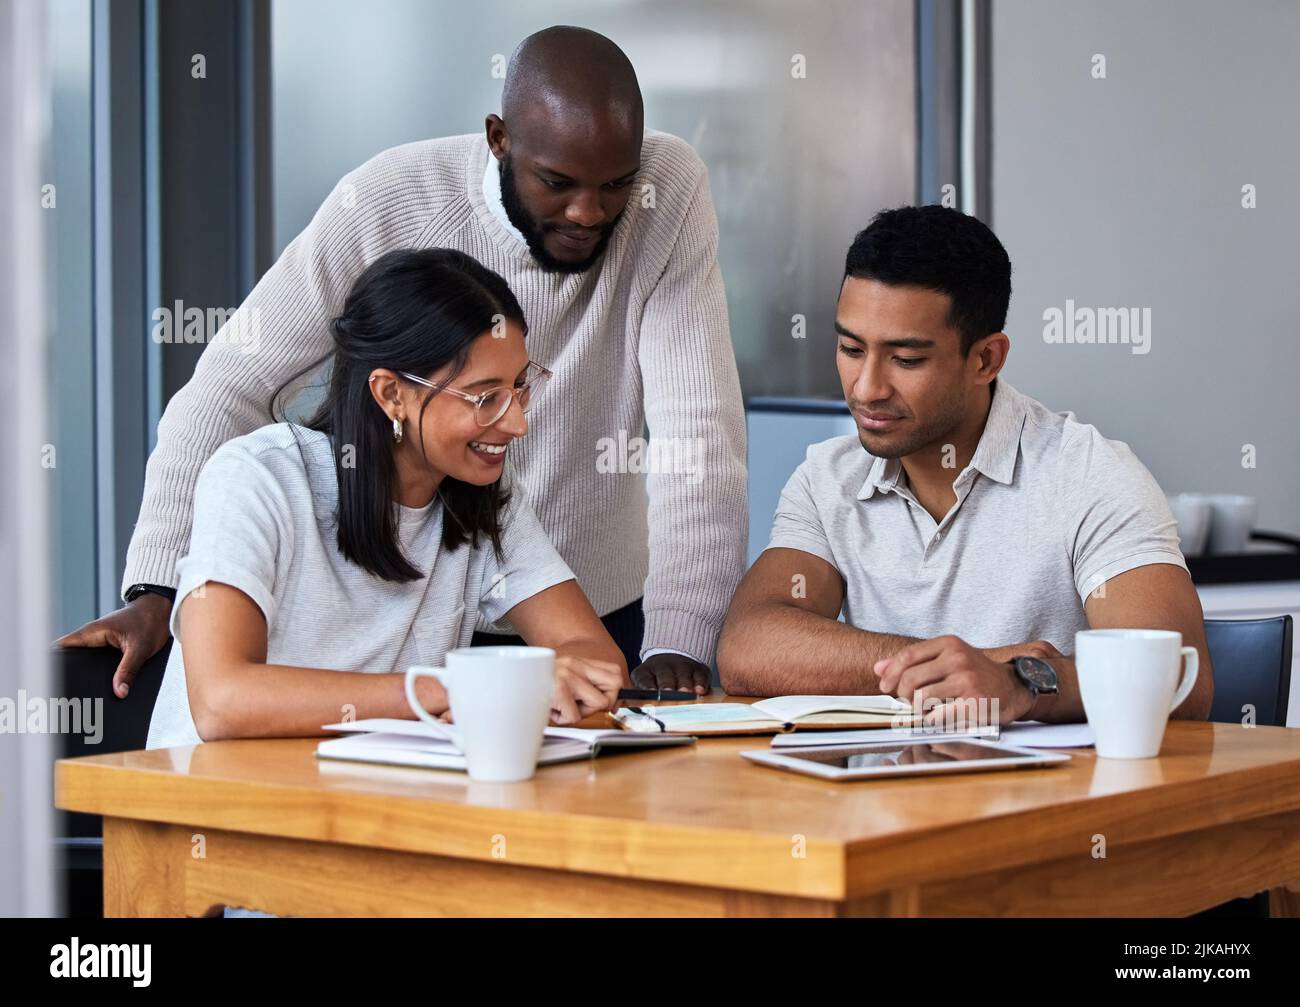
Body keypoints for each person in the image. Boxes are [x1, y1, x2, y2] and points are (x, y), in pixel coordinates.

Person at [59, 26, 747, 699]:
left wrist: (679, 639)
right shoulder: (386, 199)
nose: (589, 212)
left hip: (582, 599)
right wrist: (159, 585)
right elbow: (230, 386)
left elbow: (698, 431)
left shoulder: (667, 192)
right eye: (557, 182)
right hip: (412, 629)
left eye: (616, 185)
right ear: (498, 139)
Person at [717, 206, 1212, 724]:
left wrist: (1023, 683)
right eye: (850, 348)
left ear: (986, 360)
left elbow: (1180, 680)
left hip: (1050, 798)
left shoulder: (1091, 473)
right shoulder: (828, 477)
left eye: (906, 360)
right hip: (887, 794)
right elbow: (749, 646)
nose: (866, 388)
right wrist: (969, 667)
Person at [146, 248, 626, 749]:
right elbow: (222, 701)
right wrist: (453, 691)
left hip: (373, 801)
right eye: (486, 398)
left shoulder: (484, 497)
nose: (517, 423)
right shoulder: (259, 475)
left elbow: (597, 660)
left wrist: (560, 677)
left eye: (520, 387)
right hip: (215, 807)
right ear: (392, 394)